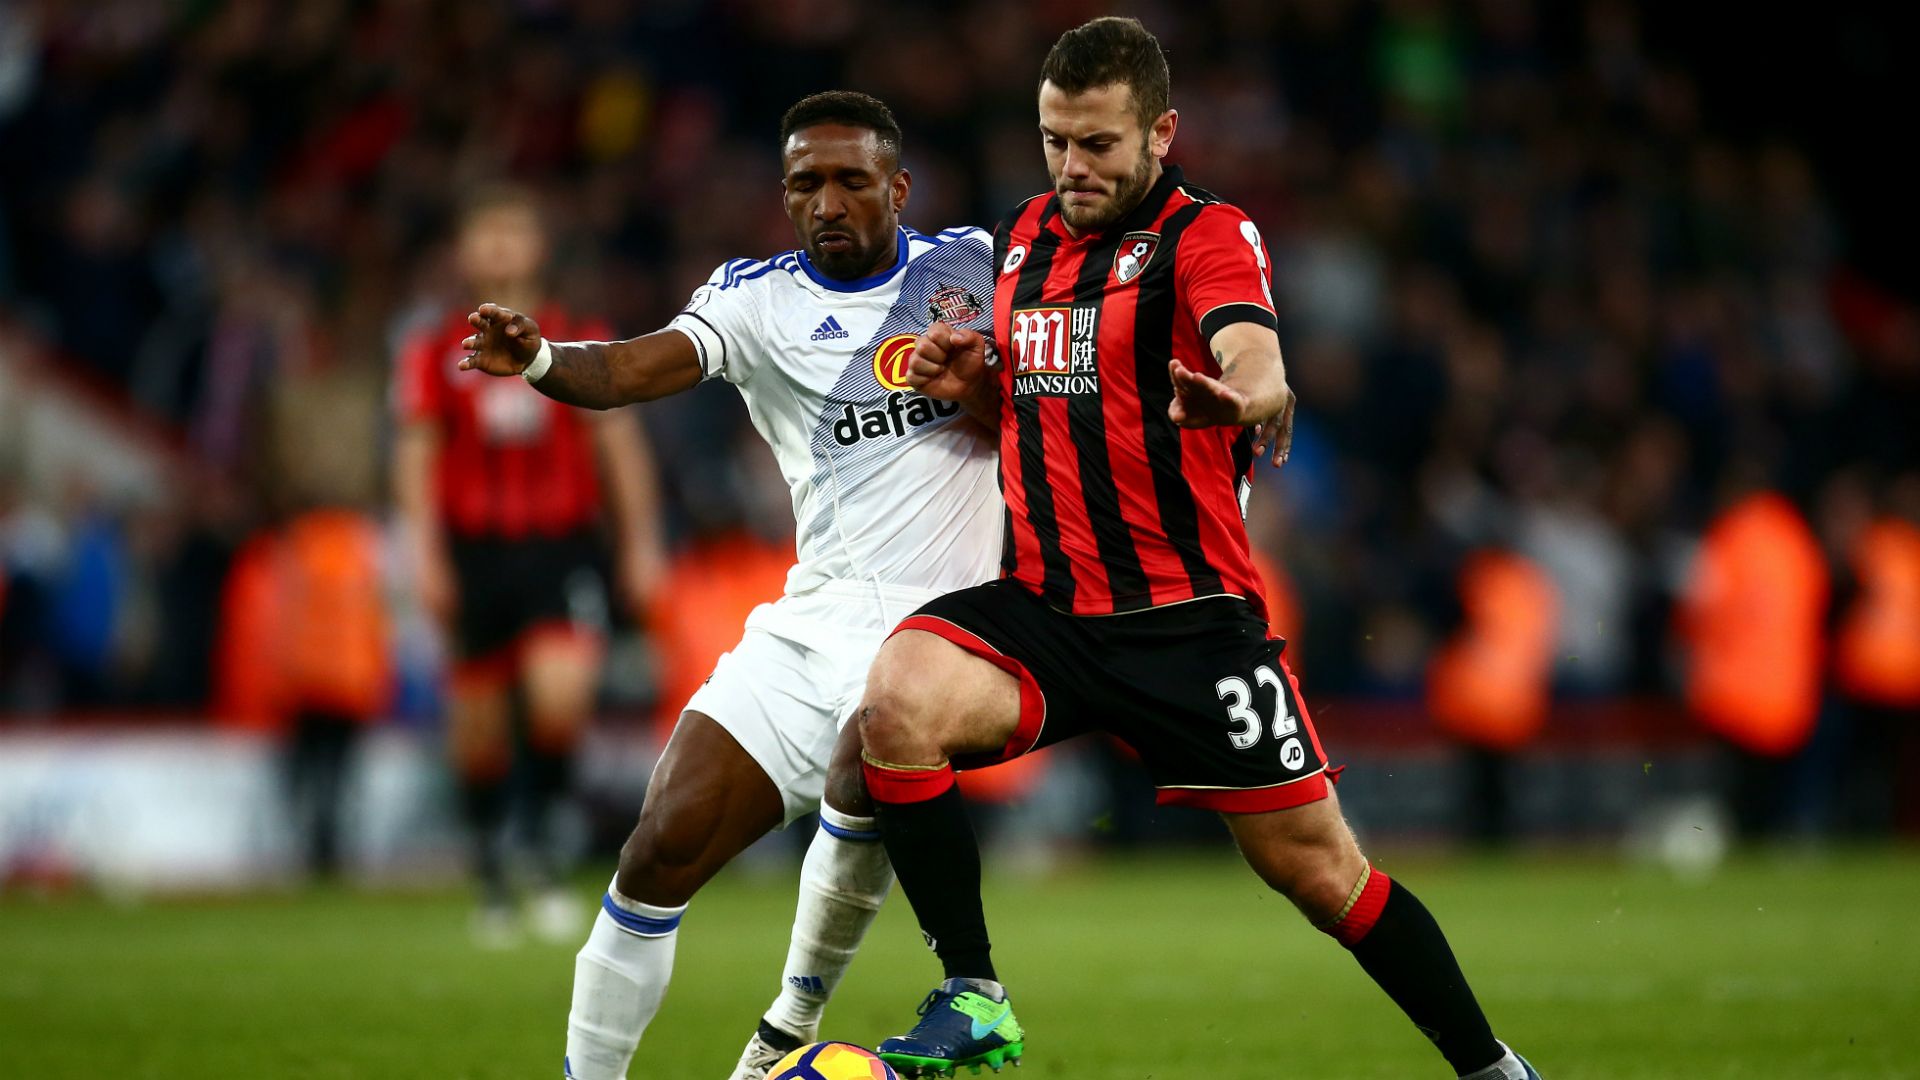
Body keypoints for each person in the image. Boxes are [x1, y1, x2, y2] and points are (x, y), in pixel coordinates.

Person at [848, 19, 1542, 1080]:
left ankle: (1493, 1068)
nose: (1072, 168)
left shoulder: (1207, 235)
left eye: (1099, 146)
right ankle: (974, 994)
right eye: (1055, 141)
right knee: (896, 700)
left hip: (1192, 628)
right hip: (1049, 610)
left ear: (1161, 133)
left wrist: (1251, 393)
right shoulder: (1022, 238)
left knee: (1326, 879)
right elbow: (1045, 404)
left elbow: (1253, 353)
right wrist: (977, 384)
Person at [456, 93, 1004, 1080]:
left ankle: (784, 1031)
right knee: (656, 848)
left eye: (850, 180)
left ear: (899, 188)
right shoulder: (755, 299)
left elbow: (1058, 403)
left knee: (867, 757)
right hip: (815, 620)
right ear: (784, 196)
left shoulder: (975, 267)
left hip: (946, 629)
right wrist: (540, 358)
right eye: (806, 184)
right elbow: (627, 370)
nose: (827, 202)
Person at [393, 186, 667, 942]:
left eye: (515, 231)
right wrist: (422, 556)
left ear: (538, 247)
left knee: (558, 697)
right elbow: (416, 455)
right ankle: (489, 870)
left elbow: (619, 448)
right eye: (487, 233)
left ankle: (543, 852)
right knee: (478, 724)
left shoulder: (579, 336)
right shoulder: (431, 349)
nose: (502, 247)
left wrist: (641, 543)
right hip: (472, 551)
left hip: (561, 546)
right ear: (465, 252)